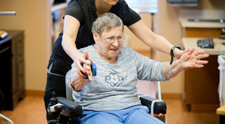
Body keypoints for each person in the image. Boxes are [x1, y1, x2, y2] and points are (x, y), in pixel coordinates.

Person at [44, 0, 188, 121]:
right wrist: (77, 57)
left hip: (98, 61)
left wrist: (176, 52)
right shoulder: (80, 4)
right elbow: (68, 37)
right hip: (67, 59)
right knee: (57, 115)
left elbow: (151, 37)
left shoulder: (120, 7)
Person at [66, 13, 209, 124]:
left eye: (119, 37)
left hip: (133, 111)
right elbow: (74, 84)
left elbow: (157, 70)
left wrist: (178, 65)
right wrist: (83, 74)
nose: (116, 44)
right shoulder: (83, 56)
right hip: (97, 112)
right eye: (110, 38)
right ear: (96, 37)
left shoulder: (129, 55)